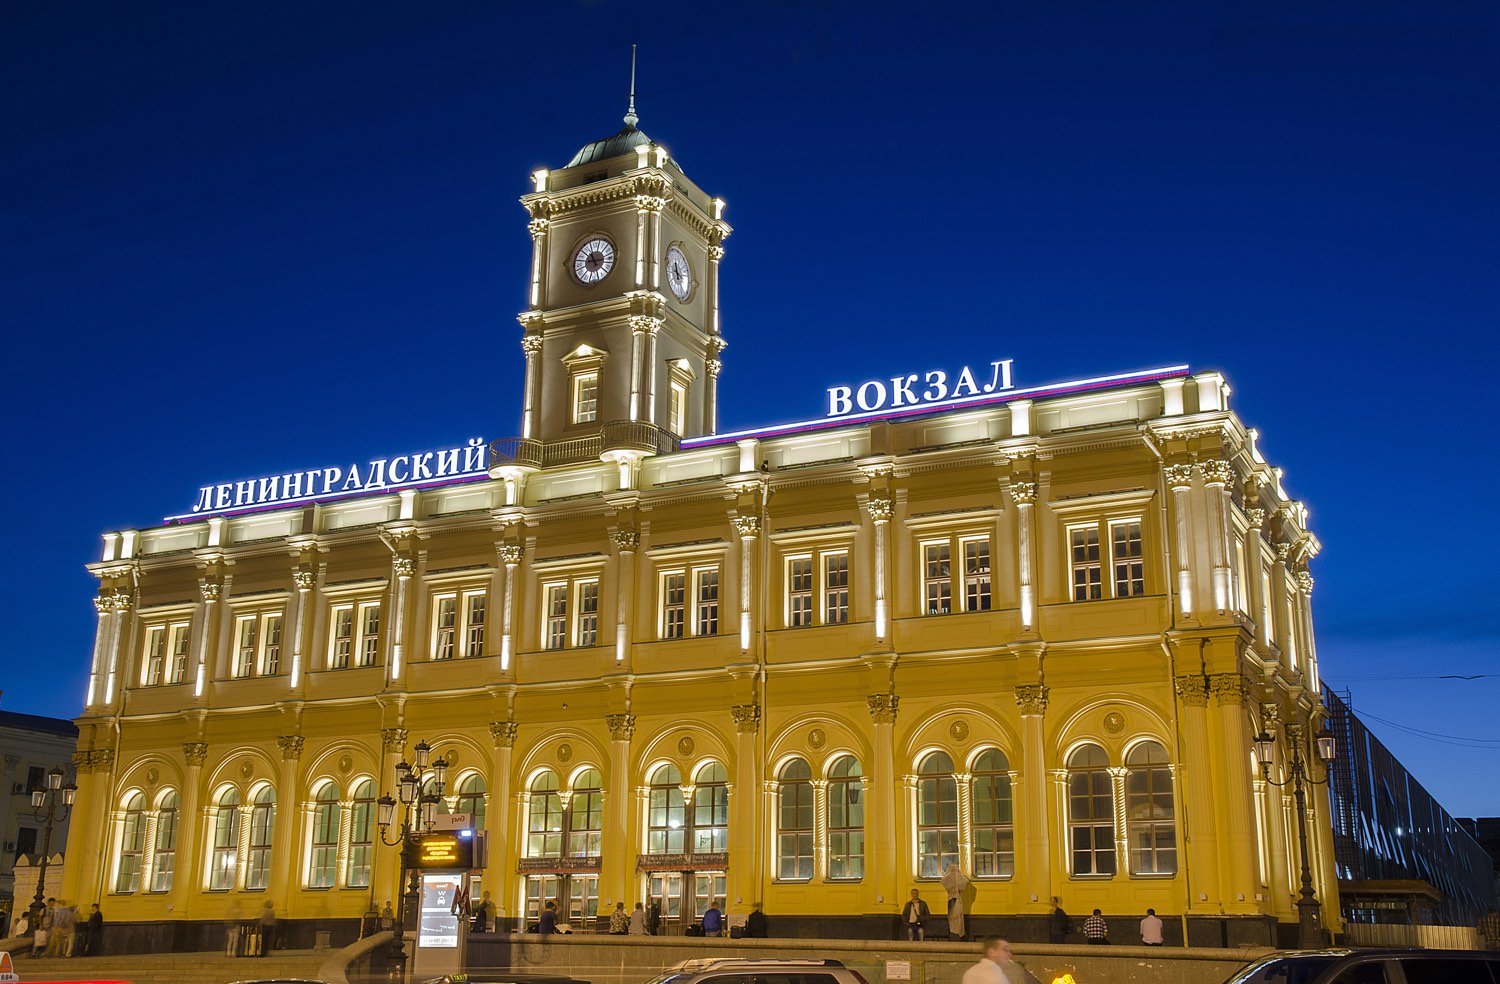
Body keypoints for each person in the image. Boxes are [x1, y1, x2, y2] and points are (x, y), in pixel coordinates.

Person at [943, 864, 970, 940]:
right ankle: (956, 932)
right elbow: (966, 881)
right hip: (955, 899)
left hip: (953, 898)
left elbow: (942, 881)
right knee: (956, 917)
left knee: (954, 917)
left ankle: (955, 932)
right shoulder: (959, 879)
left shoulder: (950, 878)